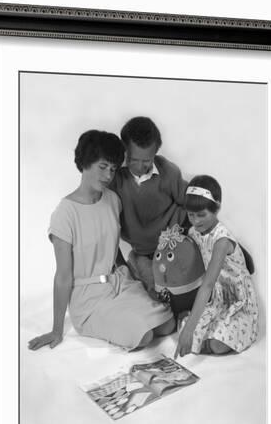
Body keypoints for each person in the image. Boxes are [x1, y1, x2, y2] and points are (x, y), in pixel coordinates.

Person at [28, 130, 175, 352]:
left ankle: (132, 312)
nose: (108, 175)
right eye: (103, 167)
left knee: (168, 324)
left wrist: (136, 280)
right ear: (85, 163)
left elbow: (112, 249)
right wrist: (57, 329)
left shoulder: (112, 200)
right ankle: (118, 321)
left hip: (120, 284)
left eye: (113, 169)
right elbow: (63, 275)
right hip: (89, 299)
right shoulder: (65, 213)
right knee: (143, 336)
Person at [174, 175, 259, 358]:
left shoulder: (221, 242)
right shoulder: (194, 232)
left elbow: (207, 285)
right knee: (186, 335)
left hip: (238, 302)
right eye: (191, 215)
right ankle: (202, 330)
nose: (196, 221)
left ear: (217, 207)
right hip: (218, 299)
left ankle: (213, 336)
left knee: (217, 344)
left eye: (202, 215)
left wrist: (190, 331)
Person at [109, 117, 188, 294]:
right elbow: (106, 227)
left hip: (178, 235)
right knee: (158, 292)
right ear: (124, 151)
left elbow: (191, 201)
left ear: (155, 154)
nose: (139, 166)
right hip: (145, 252)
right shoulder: (114, 180)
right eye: (133, 159)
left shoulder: (168, 170)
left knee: (190, 279)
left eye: (146, 161)